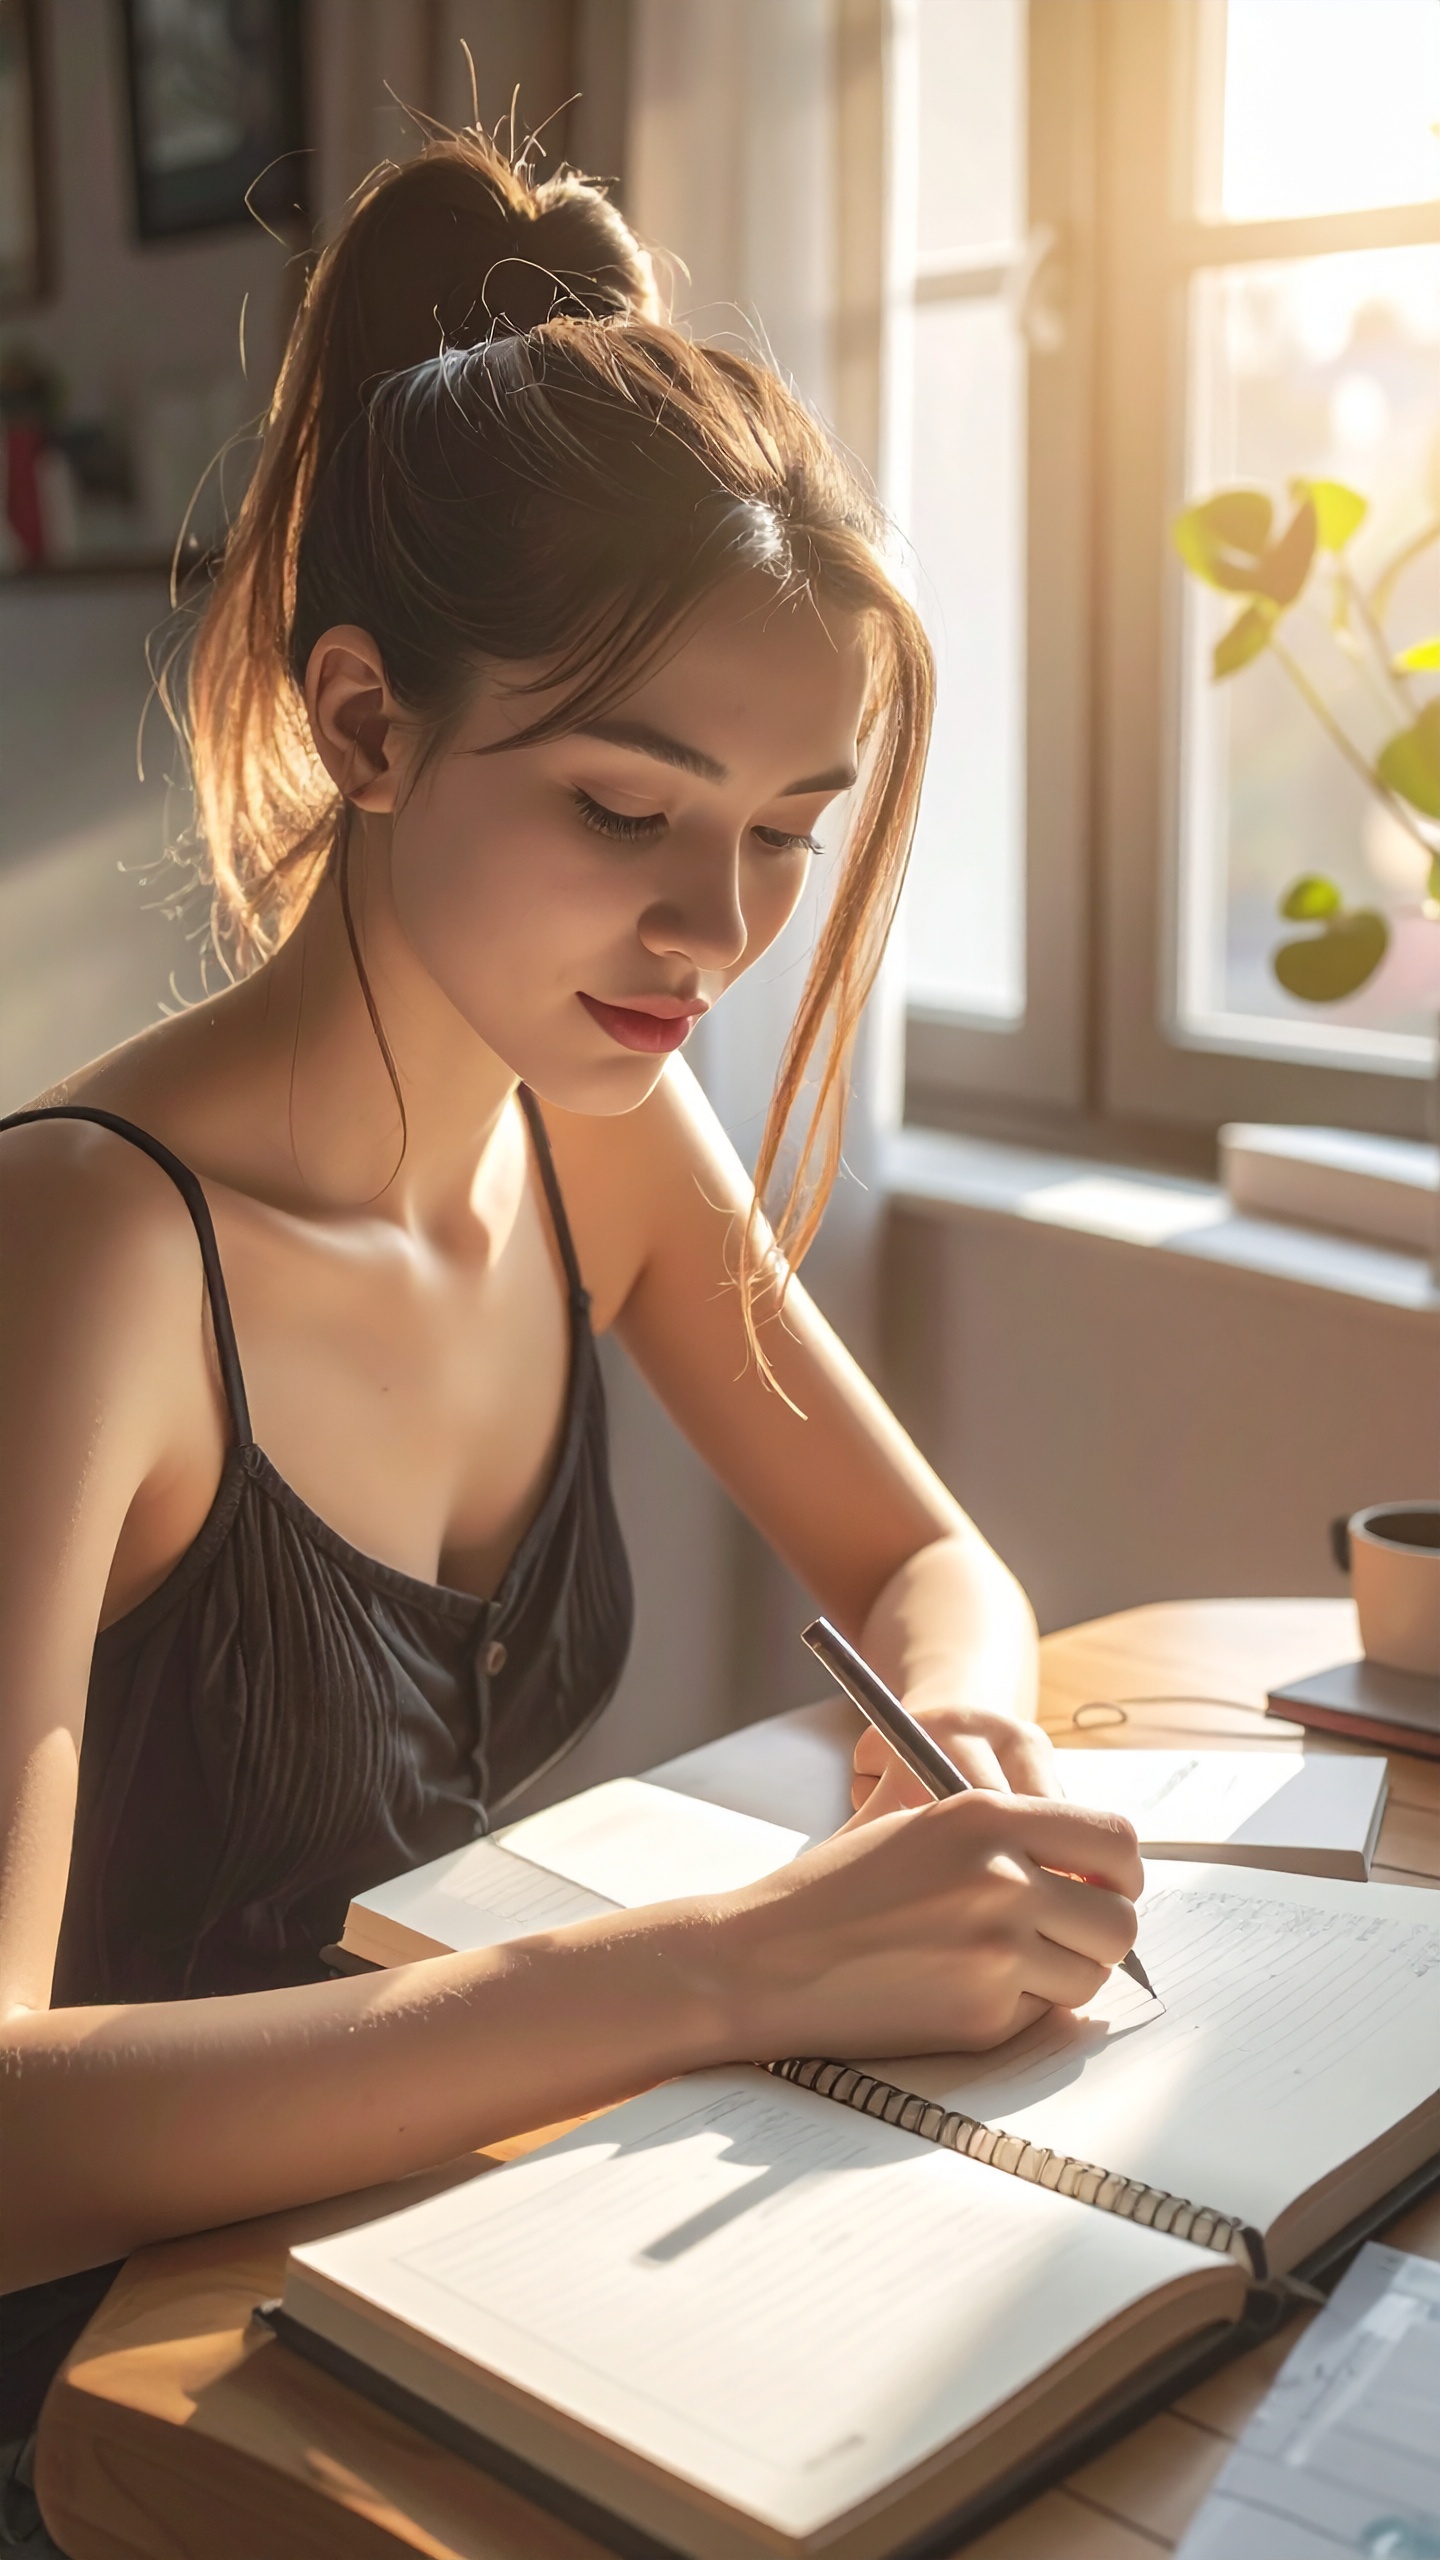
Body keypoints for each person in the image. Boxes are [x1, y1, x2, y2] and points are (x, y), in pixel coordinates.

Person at [0, 128, 1141, 2515]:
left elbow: (933, 1563)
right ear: (367, 720)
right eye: (631, 810)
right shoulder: (88, 1255)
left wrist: (958, 1730)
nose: (715, 930)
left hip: (424, 2286)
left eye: (787, 829)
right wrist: (723, 1968)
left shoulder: (588, 1119)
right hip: (93, 2431)